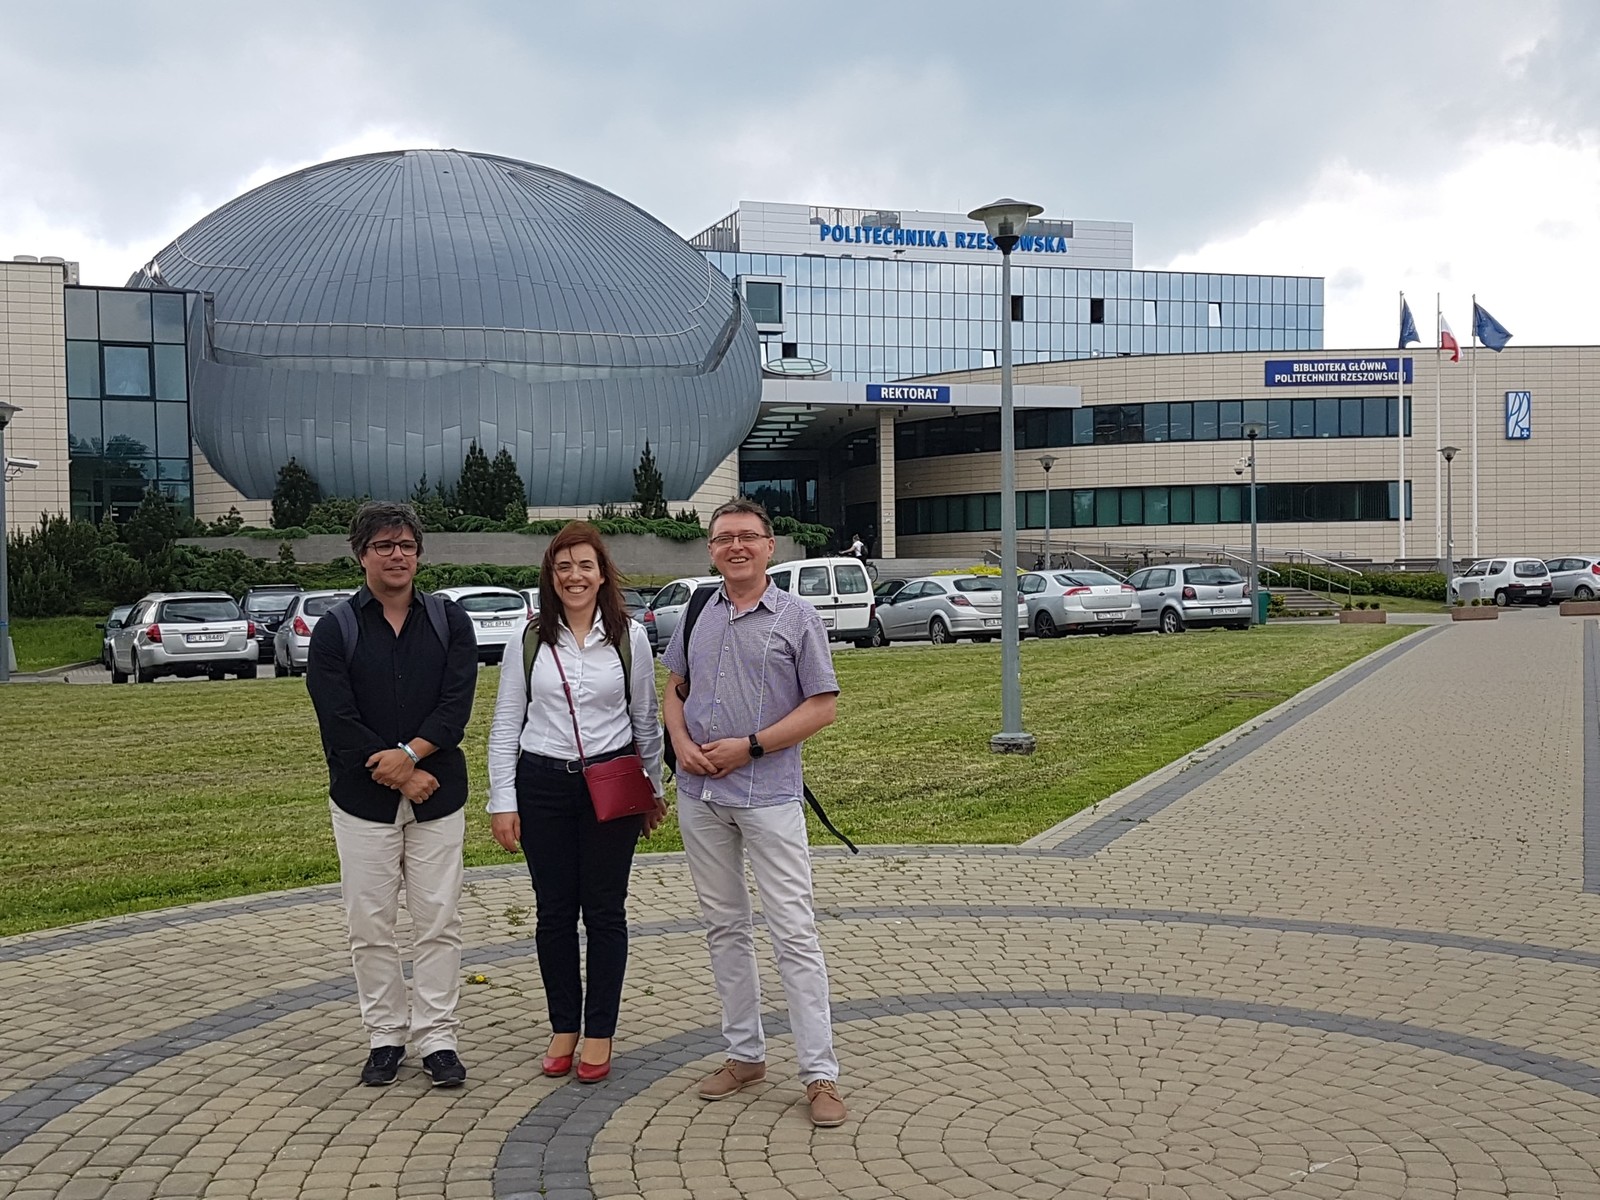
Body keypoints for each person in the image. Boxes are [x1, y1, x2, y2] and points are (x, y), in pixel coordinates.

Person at [661, 498, 847, 1128]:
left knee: (793, 932)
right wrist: (681, 743)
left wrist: (752, 746)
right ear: (711, 549)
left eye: (746, 536)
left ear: (770, 546)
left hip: (767, 795)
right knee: (724, 927)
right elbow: (675, 687)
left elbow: (822, 706)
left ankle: (819, 1073)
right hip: (701, 797)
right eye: (723, 538)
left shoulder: (798, 617)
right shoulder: (697, 610)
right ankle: (745, 1055)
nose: (734, 547)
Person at [306, 501, 479, 1089]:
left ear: (419, 554)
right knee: (370, 925)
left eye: (406, 545)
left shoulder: (450, 621)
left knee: (438, 921)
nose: (397, 555)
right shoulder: (336, 629)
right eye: (384, 546)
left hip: (438, 795)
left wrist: (410, 756)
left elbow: (455, 707)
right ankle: (385, 1036)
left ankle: (438, 1038)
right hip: (362, 802)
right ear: (362, 555)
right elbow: (338, 720)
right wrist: (403, 773)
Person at [486, 522, 665, 1084]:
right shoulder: (530, 638)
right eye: (563, 567)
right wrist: (502, 799)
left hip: (611, 782)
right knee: (554, 912)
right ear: (551, 576)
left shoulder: (629, 637)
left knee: (606, 911)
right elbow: (506, 722)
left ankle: (600, 1031)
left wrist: (653, 791)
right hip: (542, 784)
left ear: (602, 573)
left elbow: (645, 719)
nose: (574, 576)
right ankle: (564, 1025)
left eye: (585, 565)